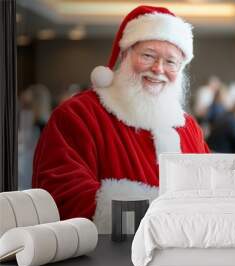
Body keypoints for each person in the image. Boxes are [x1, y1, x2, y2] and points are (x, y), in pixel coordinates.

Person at [32, 5, 210, 233]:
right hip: (104, 262)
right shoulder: (78, 115)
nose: (158, 69)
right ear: (125, 55)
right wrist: (163, 221)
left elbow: (209, 190)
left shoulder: (188, 128)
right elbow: (62, 195)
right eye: (148, 56)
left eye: (171, 62)